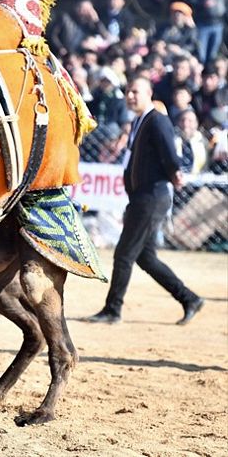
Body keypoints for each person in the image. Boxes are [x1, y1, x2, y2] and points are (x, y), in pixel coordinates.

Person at [87, 78, 205, 325]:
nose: (130, 96)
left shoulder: (157, 119)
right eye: (128, 91)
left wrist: (175, 173)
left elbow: (170, 152)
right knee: (146, 258)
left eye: (136, 92)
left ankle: (112, 310)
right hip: (142, 197)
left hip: (151, 197)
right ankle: (189, 299)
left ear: (150, 94)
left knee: (123, 254)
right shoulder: (140, 121)